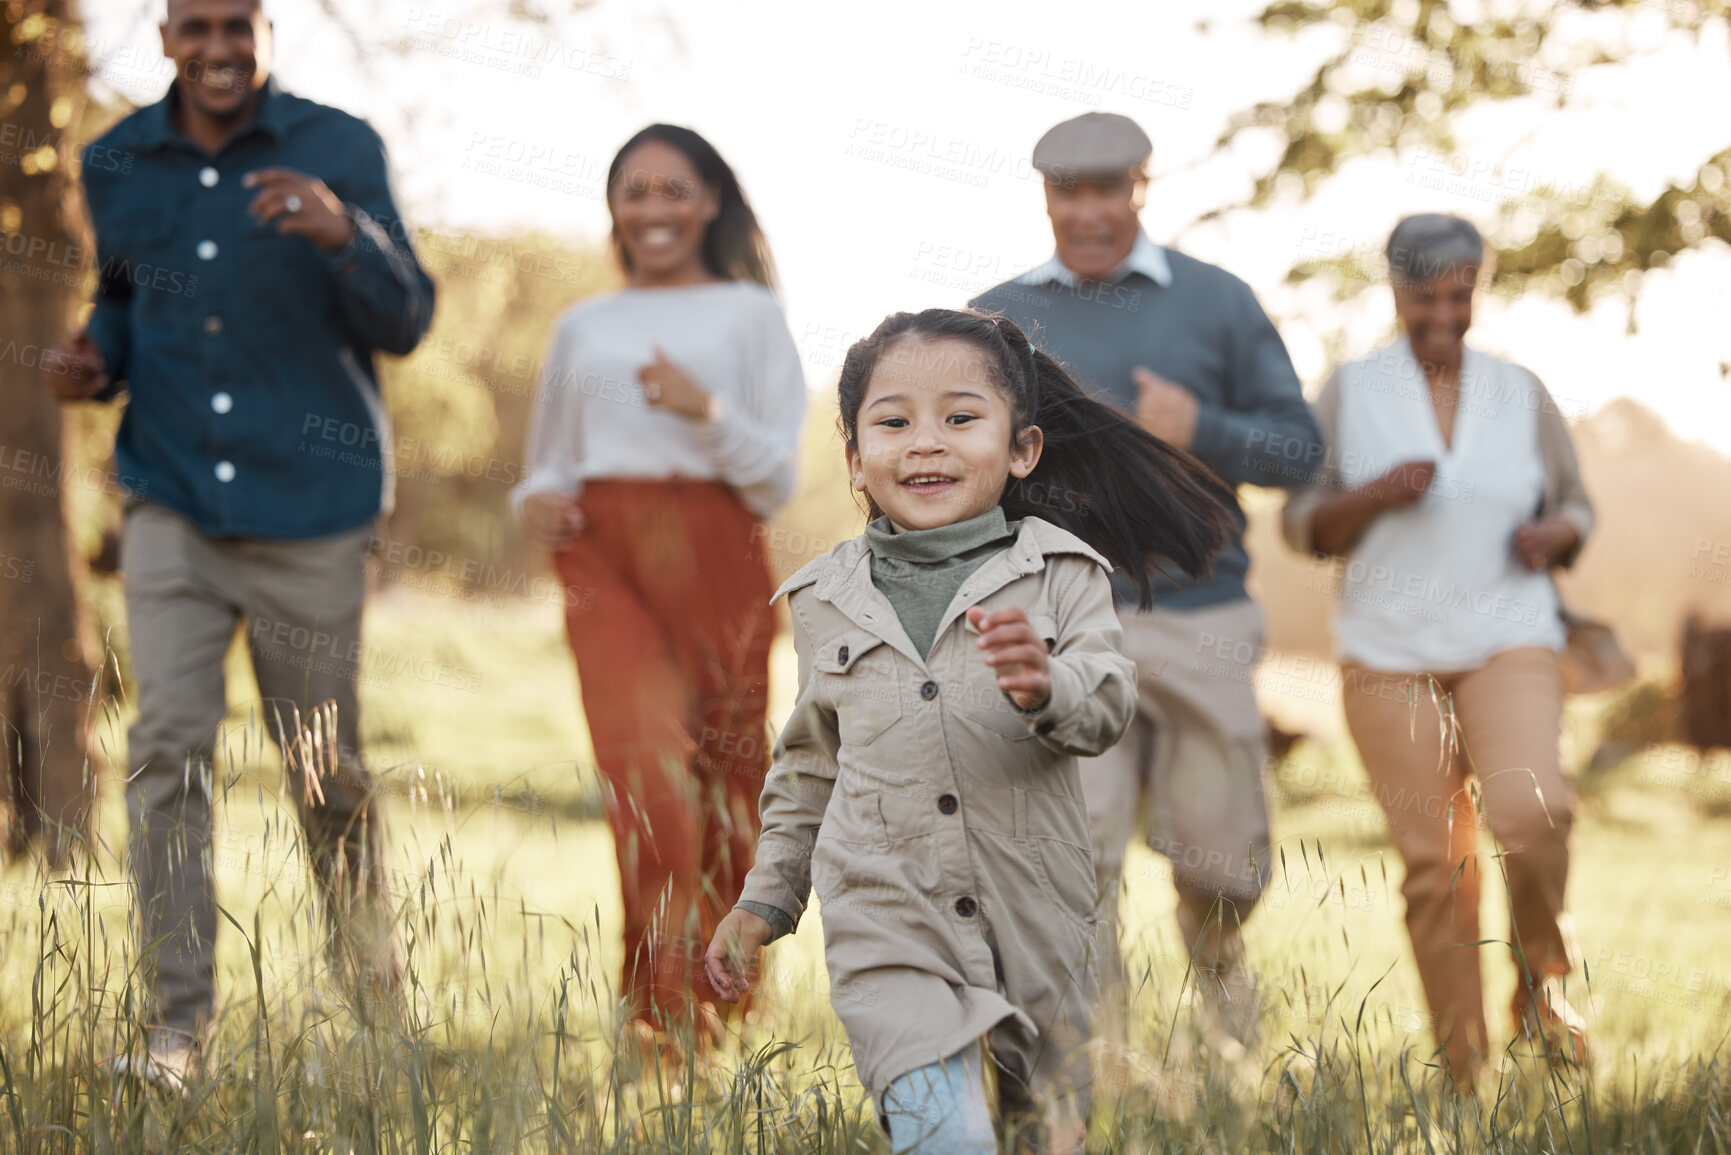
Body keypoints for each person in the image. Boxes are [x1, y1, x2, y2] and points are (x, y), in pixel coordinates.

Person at [704, 309, 1236, 1152]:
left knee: (1048, 1133)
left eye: (959, 418)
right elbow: (807, 767)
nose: (924, 443)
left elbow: (1105, 703)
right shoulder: (821, 598)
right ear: (853, 458)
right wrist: (765, 898)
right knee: (943, 1136)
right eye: (892, 422)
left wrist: (1044, 685)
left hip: (1040, 918)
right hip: (886, 916)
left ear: (1021, 448)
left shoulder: (1061, 573)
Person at [43, 0, 434, 1090]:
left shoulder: (340, 149)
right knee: (166, 747)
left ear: (266, 31)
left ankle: (372, 1025)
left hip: (311, 505)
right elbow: (124, 305)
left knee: (323, 769)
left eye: (236, 27)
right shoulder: (115, 160)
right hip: (169, 497)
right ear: (163, 35)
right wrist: (96, 361)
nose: (216, 48)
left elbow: (407, 320)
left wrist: (341, 235)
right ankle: (176, 1036)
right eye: (193, 27)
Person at [970, 112, 1323, 1056]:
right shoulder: (994, 316)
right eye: (1065, 192)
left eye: (1106, 189)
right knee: (1077, 851)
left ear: (1141, 187)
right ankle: (1098, 1062)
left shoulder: (1220, 302)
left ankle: (1216, 982)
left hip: (1202, 616)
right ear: (1044, 195)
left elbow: (1301, 451)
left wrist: (1201, 426)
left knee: (1224, 862)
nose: (1085, 211)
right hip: (1059, 622)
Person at [1281, 213, 1593, 1086]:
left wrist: (1556, 532)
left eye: (1462, 294)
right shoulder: (1349, 390)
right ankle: (1465, 1064)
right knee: (1436, 865)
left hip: (1508, 635)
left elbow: (1577, 507)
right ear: (1393, 290)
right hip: (1387, 651)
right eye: (1426, 297)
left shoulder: (1519, 390)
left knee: (1534, 817)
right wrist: (1375, 493)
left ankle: (1540, 994)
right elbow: (1302, 522)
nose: (1445, 314)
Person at [514, 125, 807, 1049]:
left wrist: (704, 410)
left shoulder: (750, 315)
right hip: (608, 557)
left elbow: (774, 479)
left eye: (672, 190)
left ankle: (722, 1004)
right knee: (645, 779)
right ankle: (656, 1012)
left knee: (731, 781)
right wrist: (536, 503)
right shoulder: (584, 325)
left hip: (720, 546)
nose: (652, 209)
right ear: (613, 207)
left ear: (711, 200)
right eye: (633, 191)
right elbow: (544, 464)